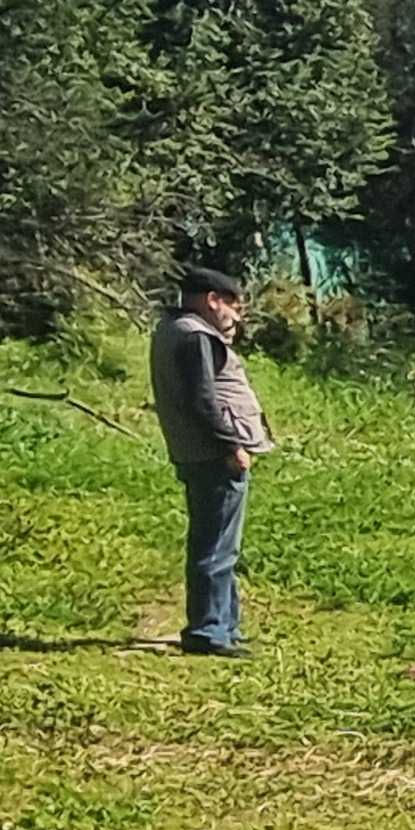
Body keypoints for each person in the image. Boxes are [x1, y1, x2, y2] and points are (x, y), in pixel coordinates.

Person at [148, 267, 272, 655]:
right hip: (212, 457)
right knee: (217, 547)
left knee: (218, 543)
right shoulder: (194, 335)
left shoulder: (173, 330)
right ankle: (209, 631)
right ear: (212, 300)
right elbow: (203, 400)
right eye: (233, 305)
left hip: (197, 453)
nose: (236, 316)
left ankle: (225, 626)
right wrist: (230, 445)